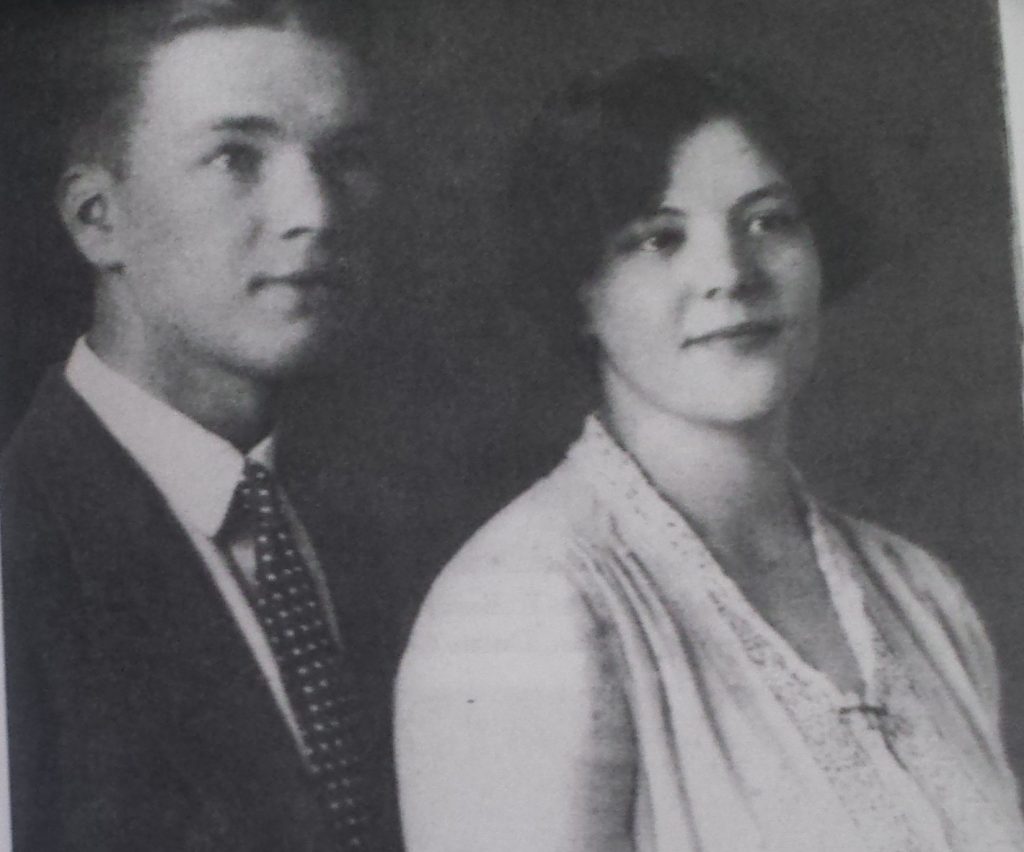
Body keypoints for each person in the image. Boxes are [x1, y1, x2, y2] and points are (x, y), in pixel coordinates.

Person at [394, 56, 1024, 851]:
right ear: (580, 290)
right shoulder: (522, 609)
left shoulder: (922, 596)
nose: (729, 273)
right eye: (660, 238)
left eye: (769, 221)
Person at [0, 1, 400, 849]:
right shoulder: (22, 550)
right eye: (235, 157)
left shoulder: (385, 516)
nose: (316, 211)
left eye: (345, 157)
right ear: (97, 218)